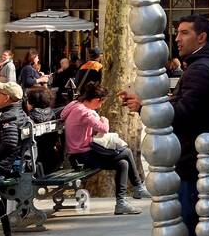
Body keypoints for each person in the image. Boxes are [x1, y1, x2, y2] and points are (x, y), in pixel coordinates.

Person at [121, 15, 209, 236]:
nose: (177, 38)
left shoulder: (200, 70)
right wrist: (145, 105)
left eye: (184, 33)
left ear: (201, 37)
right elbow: (186, 106)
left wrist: (147, 107)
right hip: (196, 161)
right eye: (176, 33)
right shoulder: (203, 66)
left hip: (192, 164)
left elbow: (184, 115)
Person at [61, 83, 147, 214]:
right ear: (96, 100)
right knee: (126, 151)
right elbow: (104, 128)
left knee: (123, 164)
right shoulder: (84, 112)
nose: (100, 106)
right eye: (101, 103)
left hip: (80, 153)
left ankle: (121, 203)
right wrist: (104, 119)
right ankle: (138, 187)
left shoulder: (75, 106)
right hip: (83, 155)